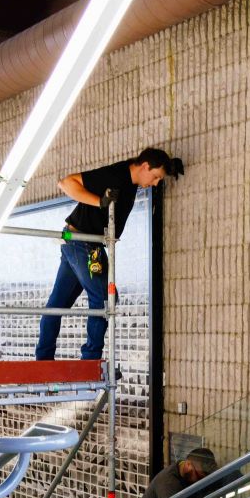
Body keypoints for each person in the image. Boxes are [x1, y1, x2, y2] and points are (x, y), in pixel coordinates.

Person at [35, 148, 183, 362]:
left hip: (78, 242)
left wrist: (169, 165)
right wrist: (100, 202)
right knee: (105, 299)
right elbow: (66, 183)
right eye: (156, 177)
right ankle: (91, 360)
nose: (155, 183)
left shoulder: (131, 179)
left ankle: (43, 360)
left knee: (57, 304)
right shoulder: (115, 175)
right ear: (145, 166)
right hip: (84, 243)